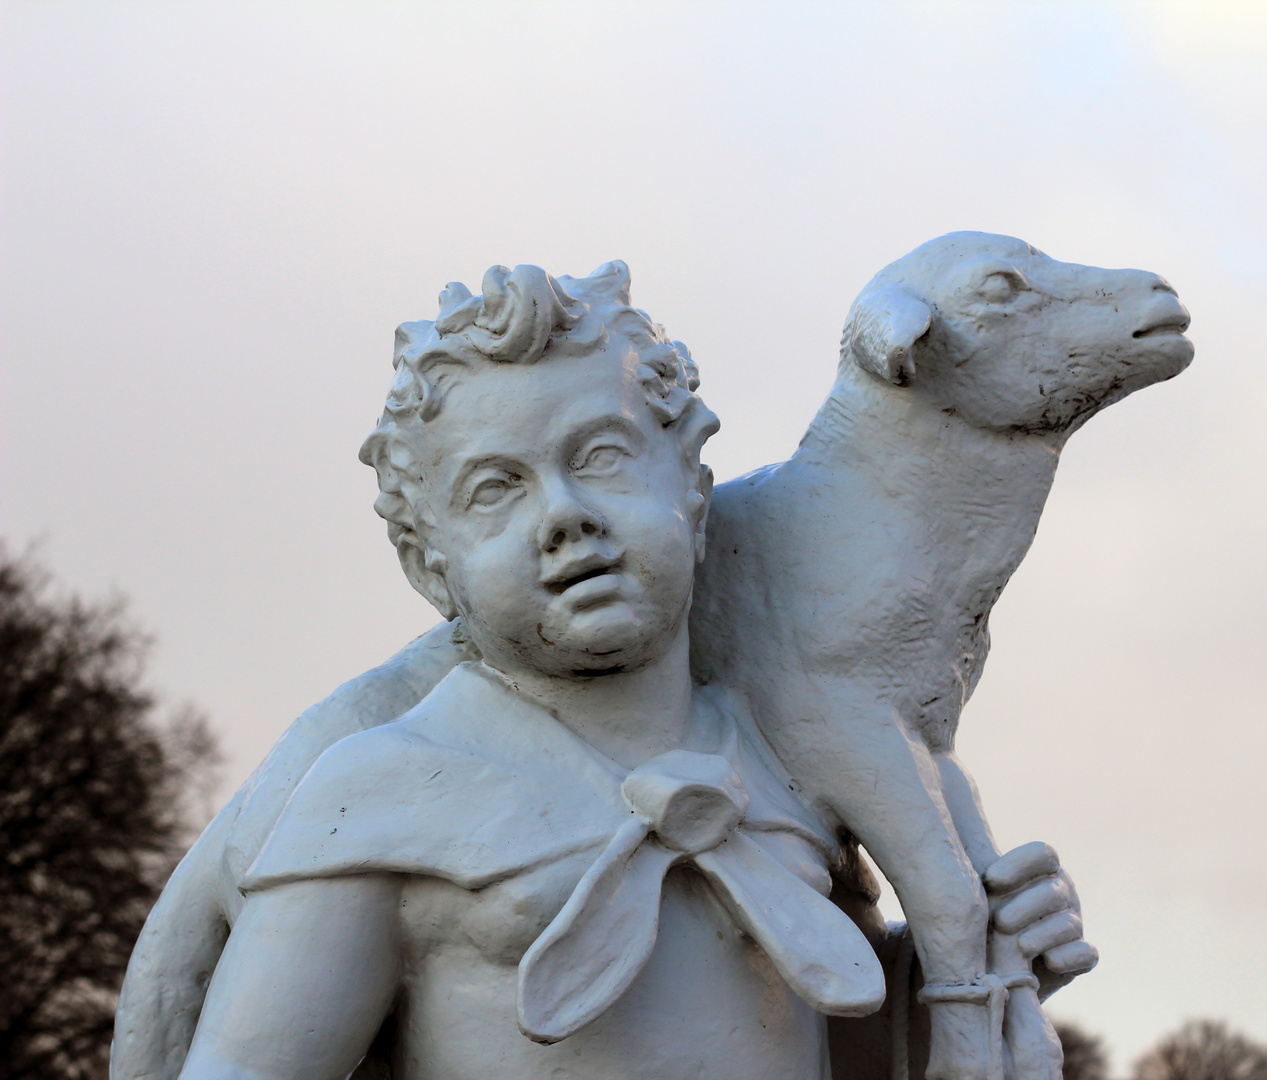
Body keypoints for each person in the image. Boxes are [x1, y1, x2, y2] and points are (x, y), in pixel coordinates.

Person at [154, 261, 1091, 1080]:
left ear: (692, 486)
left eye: (601, 457)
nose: (563, 515)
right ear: (428, 563)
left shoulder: (784, 774)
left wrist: (959, 981)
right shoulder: (381, 798)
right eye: (496, 489)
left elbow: (827, 1054)